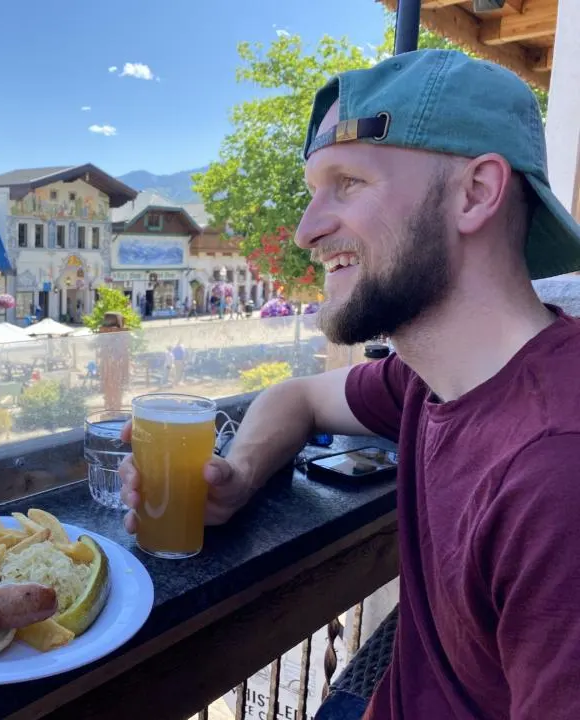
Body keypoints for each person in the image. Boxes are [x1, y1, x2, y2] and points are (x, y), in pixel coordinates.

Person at [119, 50, 580, 720]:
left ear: (475, 193)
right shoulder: (432, 379)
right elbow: (298, 396)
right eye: (313, 192)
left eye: (350, 183)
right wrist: (240, 476)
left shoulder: (555, 472)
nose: (307, 230)